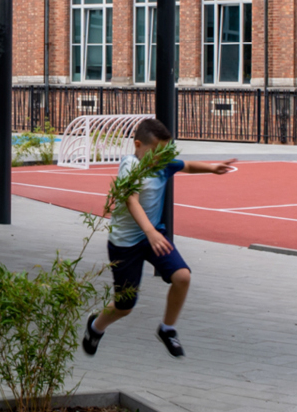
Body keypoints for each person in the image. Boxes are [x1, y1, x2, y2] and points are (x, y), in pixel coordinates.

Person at [82, 118, 235, 359]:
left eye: (164, 152)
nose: (161, 158)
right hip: (125, 244)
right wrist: (150, 232)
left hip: (153, 237)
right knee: (124, 306)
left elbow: (187, 165)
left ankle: (167, 329)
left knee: (182, 276)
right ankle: (95, 327)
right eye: (156, 152)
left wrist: (213, 168)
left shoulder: (161, 163)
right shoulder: (130, 165)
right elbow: (131, 200)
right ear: (138, 145)